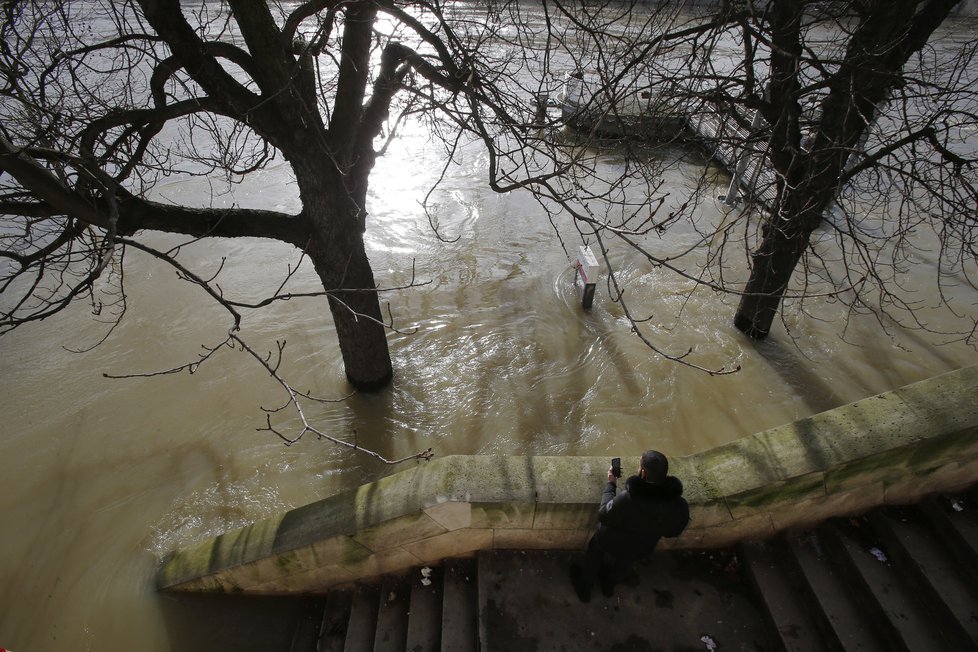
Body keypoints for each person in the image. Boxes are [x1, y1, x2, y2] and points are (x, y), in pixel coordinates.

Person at [570, 450, 690, 602]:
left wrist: (611, 485)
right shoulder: (679, 505)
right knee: (624, 564)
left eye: (640, 465)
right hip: (642, 547)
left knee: (595, 552)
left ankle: (584, 588)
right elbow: (674, 531)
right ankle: (608, 587)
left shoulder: (629, 498)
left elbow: (604, 515)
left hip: (611, 540)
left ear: (644, 473)